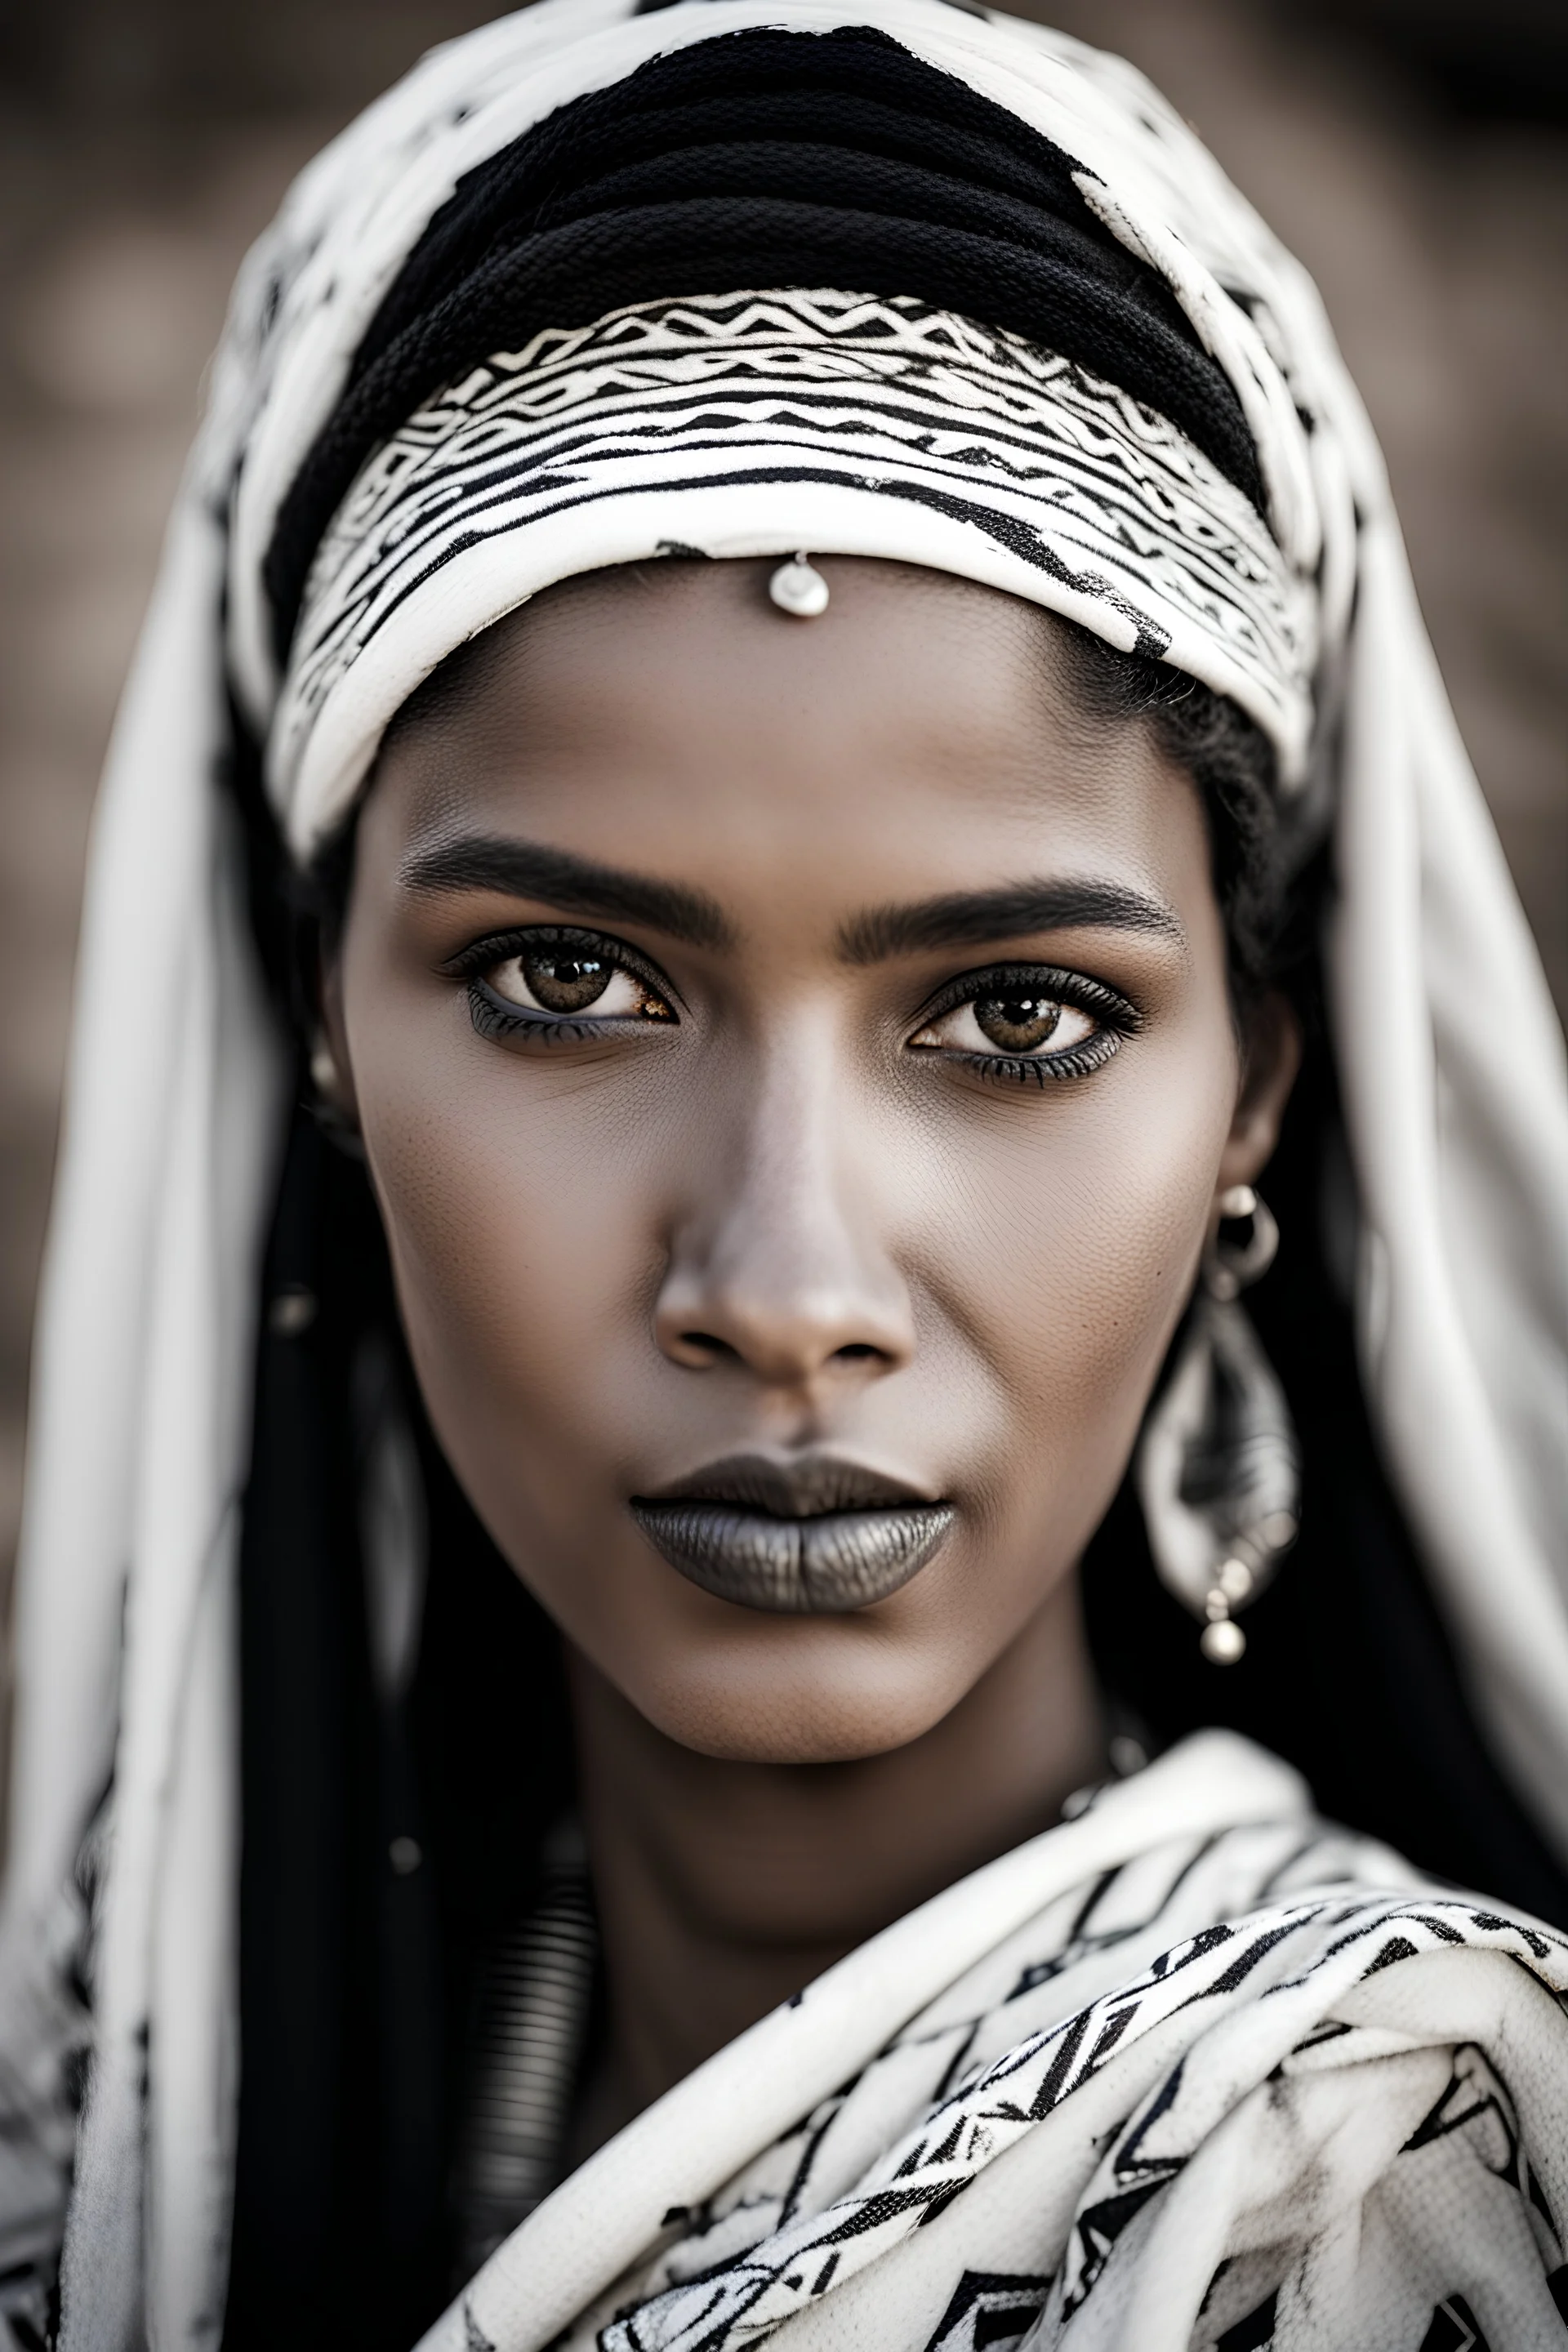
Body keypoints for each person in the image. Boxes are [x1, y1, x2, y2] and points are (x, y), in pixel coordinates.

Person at [1, 2, 1566, 2347]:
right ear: (317, 1025)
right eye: (565, 984)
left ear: (1255, 1092)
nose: (787, 1281)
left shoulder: (1367, 2198)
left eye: (1017, 1017)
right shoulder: (148, 2133)